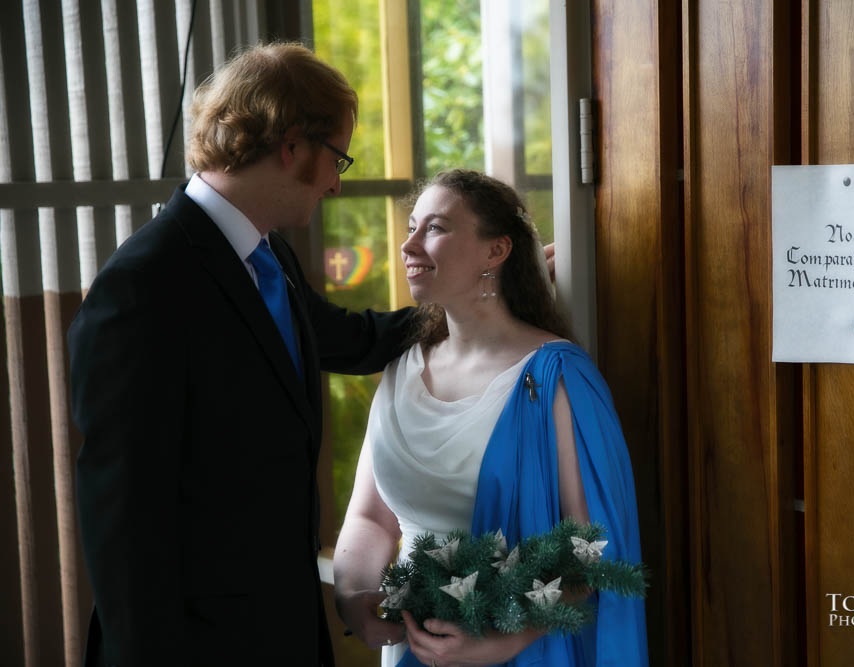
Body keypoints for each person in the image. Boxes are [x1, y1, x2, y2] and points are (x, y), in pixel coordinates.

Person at [68, 43, 413, 666]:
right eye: (336, 156)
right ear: (291, 146)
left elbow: (350, 338)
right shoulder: (143, 286)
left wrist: (472, 302)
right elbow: (123, 522)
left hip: (280, 629)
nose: (337, 181)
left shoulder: (270, 258)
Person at [333, 169, 648, 667]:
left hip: (525, 651)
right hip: (412, 651)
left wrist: (505, 639)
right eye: (411, 226)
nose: (408, 244)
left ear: (495, 252)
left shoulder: (557, 377)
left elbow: (592, 549)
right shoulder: (400, 368)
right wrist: (354, 597)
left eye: (434, 228)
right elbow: (371, 517)